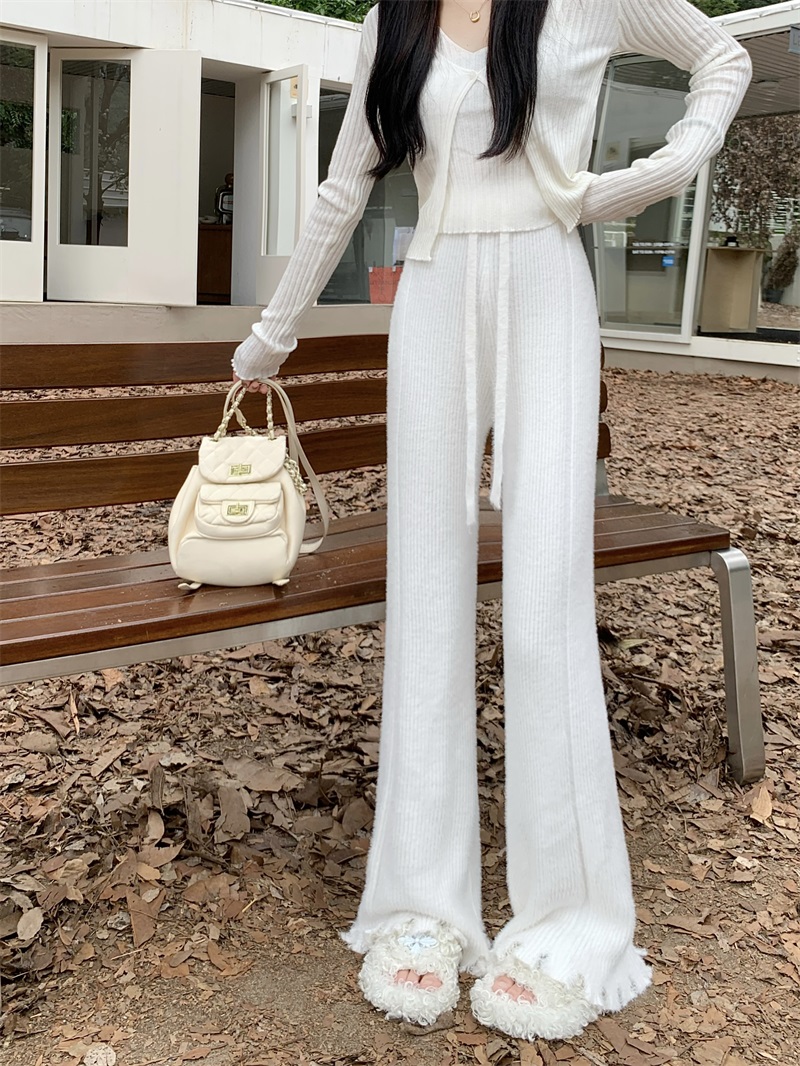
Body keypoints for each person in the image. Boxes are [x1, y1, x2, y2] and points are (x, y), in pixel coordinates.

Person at [231, 0, 751, 1042]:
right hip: (432, 296)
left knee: (544, 603)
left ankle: (569, 919)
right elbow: (344, 182)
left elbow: (722, 57)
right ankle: (422, 903)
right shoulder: (393, 18)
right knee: (426, 598)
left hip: (548, 289)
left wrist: (642, 179)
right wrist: (268, 337)